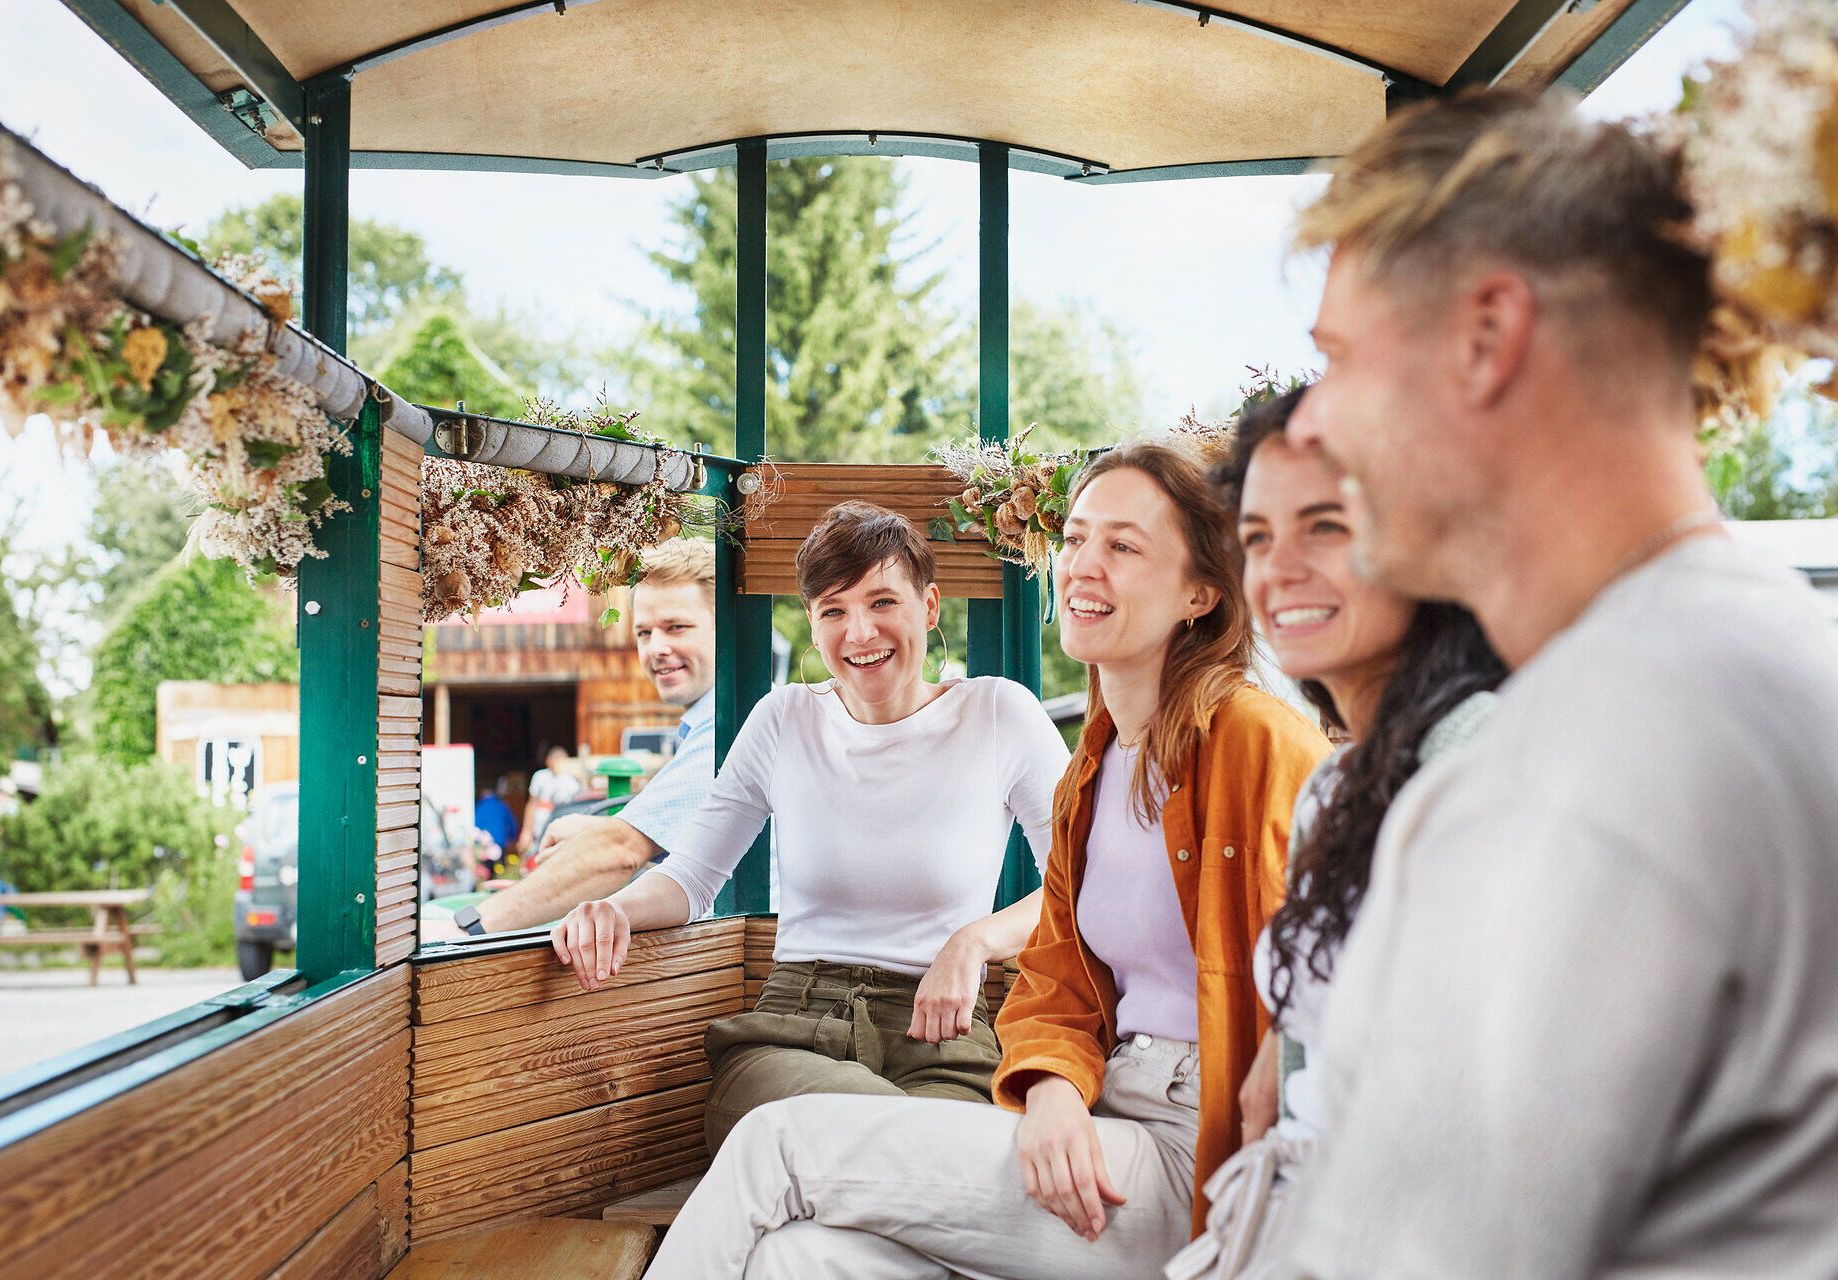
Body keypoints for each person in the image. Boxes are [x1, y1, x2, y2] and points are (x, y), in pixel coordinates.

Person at [1268, 89, 1838, 1279]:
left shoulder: (1586, 763)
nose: (1314, 421)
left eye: (1339, 358)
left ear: (1486, 336)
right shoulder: (1774, 663)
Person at [644, 443, 1330, 1280]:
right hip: (1100, 1117)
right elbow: (1061, 979)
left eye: (1124, 545)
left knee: (778, 1147)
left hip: (1206, 1144)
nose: (1083, 564)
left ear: (1201, 592)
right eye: (1075, 539)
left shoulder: (1261, 740)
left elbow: (1358, 951)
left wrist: (1285, 1081)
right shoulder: (1094, 771)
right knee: (803, 1257)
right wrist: (1049, 1090)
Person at [553, 501, 1071, 1151]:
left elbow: (1077, 883)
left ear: (930, 607)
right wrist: (615, 910)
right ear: (813, 623)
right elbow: (690, 878)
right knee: (924, 1158)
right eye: (834, 610)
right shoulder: (782, 719)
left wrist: (974, 942)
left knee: (907, 1158)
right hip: (793, 1031)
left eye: (883, 602)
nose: (859, 633)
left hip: (944, 1041)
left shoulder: (998, 713)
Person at [1161, 385, 1505, 1280]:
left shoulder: (1480, 764)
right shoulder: (1338, 787)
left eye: (1326, 526)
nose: (1278, 570)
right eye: (1259, 538)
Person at [421, 538, 719, 941]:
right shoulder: (709, 723)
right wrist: (600, 831)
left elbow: (621, 852)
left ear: (728, 626)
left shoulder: (732, 725)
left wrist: (471, 925)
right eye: (644, 632)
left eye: (677, 627)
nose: (657, 649)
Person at [516, 744, 582, 862]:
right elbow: (532, 804)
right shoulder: (540, 776)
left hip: (560, 825)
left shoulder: (571, 781)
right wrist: (527, 831)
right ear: (548, 761)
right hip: (540, 826)